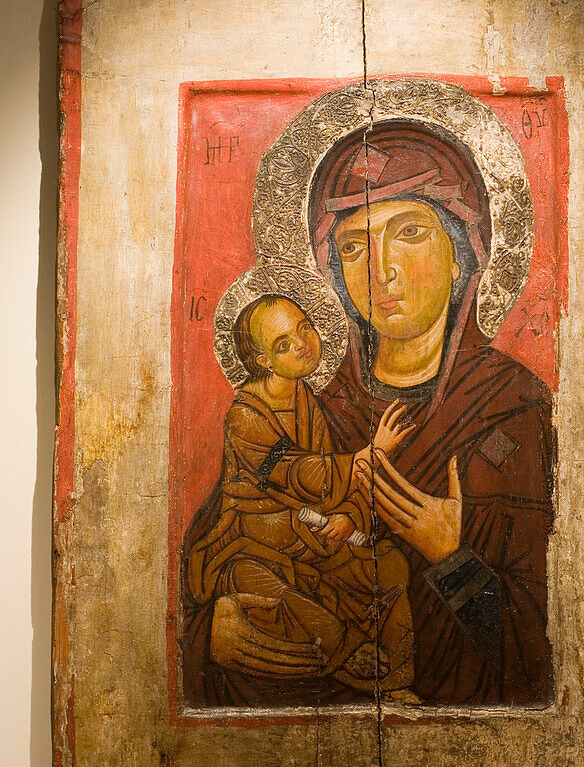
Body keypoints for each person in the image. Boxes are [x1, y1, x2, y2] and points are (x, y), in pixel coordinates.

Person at [202, 120, 555, 708]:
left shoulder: (508, 410)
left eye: (410, 232)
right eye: (355, 246)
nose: (380, 270)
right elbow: (222, 547)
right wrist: (216, 632)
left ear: (460, 257)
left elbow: (547, 647)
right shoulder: (311, 409)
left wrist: (451, 557)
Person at [181, 293, 416, 706]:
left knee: (391, 564)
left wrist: (345, 514)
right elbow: (293, 471)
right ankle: (347, 654)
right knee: (272, 590)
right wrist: (370, 456)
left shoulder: (305, 398)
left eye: (304, 328)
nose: (302, 344)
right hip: (252, 540)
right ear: (263, 361)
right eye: (283, 344)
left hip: (307, 534)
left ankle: (394, 679)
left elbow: (324, 475)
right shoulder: (247, 414)